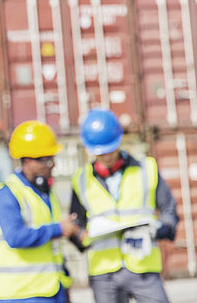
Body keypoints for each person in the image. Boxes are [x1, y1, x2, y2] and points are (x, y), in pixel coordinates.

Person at [70, 108, 178, 303]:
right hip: (104, 273)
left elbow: (169, 210)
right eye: (100, 152)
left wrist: (159, 229)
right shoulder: (81, 180)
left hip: (143, 266)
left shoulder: (147, 169)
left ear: (119, 141)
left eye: (110, 150)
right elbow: (76, 223)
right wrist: (80, 236)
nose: (106, 156)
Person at [0, 120, 80, 303]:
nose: (52, 165)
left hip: (53, 290)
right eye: (47, 159)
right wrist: (58, 229)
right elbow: (15, 237)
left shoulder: (46, 193)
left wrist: (64, 284)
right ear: (28, 160)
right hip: (23, 294)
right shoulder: (7, 194)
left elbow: (53, 250)